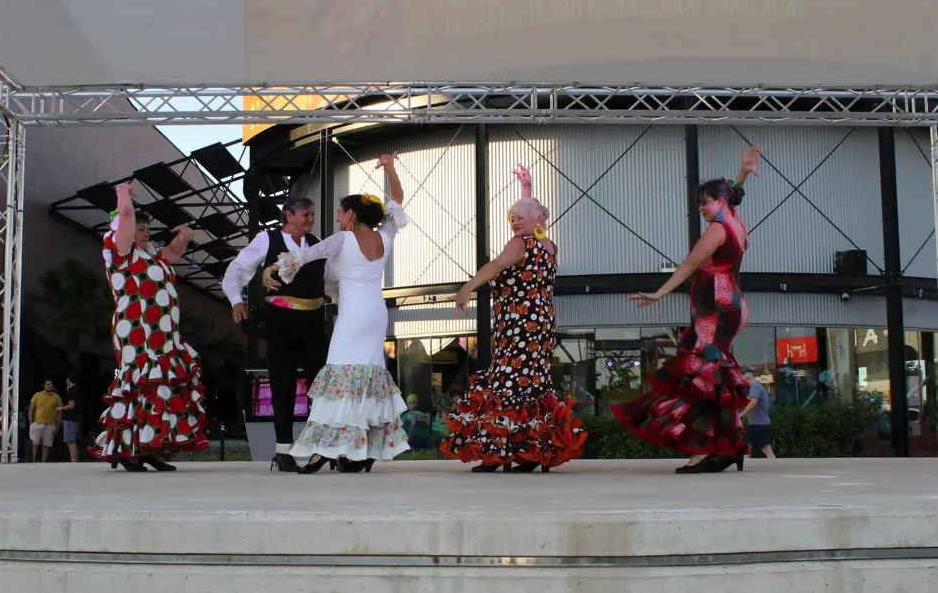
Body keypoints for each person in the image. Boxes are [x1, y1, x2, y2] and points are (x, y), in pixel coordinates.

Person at [613, 146, 762, 474]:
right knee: (713, 377)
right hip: (730, 303)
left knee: (701, 376)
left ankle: (708, 448)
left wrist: (659, 293)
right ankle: (728, 446)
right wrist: (742, 172)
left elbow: (691, 264)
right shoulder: (735, 223)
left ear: (718, 201)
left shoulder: (717, 229)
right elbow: (733, 196)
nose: (701, 209)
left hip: (715, 308)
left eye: (705, 202)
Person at [264, 153, 409, 472]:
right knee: (368, 379)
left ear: (351, 214)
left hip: (354, 315)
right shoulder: (385, 235)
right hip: (376, 313)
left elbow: (304, 255)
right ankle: (362, 451)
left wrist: (272, 268)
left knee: (337, 379)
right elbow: (397, 201)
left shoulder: (343, 239)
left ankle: (326, 448)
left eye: (341, 212)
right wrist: (391, 169)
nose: (337, 217)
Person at [441, 164, 588, 473]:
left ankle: (501, 453)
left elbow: (496, 265)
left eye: (519, 218)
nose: (514, 223)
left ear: (535, 220)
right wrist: (527, 193)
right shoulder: (547, 245)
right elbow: (537, 219)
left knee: (508, 385)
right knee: (531, 385)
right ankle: (530, 453)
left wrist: (467, 287)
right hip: (540, 325)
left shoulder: (519, 244)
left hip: (518, 326)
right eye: (511, 219)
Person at [89, 180, 208, 472]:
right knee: (140, 382)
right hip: (138, 330)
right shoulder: (119, 250)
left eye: (146, 229)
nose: (144, 233)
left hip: (162, 333)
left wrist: (187, 234)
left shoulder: (151, 254)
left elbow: (174, 251)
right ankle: (128, 450)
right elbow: (126, 215)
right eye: (140, 229)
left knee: (156, 387)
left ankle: (146, 447)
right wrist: (122, 193)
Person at [222, 196, 330, 473]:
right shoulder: (267, 239)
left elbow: (332, 280)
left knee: (320, 384)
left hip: (314, 320)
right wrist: (236, 298)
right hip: (280, 320)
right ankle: (283, 450)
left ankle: (321, 447)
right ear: (288, 215)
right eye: (306, 214)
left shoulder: (318, 244)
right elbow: (237, 269)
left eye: (312, 214)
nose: (310, 219)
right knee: (283, 381)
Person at [740, 371, 775, 458]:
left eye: (743, 381)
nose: (743, 384)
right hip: (755, 424)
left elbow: (753, 404)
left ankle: (775, 466)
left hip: (759, 424)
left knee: (765, 449)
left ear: (748, 379)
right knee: (747, 448)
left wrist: (741, 416)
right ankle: (745, 466)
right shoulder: (757, 387)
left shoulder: (755, 387)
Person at [28, 378, 63, 463]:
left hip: (50, 424)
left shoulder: (57, 397)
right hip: (37, 423)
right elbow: (31, 409)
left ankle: (43, 463)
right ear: (44, 386)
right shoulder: (37, 395)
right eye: (47, 384)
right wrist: (31, 423)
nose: (50, 386)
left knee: (46, 445)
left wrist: (58, 426)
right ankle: (33, 461)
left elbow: (59, 412)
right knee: (34, 443)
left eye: (51, 384)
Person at [55, 374, 83, 463]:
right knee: (70, 440)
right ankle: (74, 460)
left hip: (70, 418)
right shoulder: (76, 390)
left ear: (68, 380)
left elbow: (71, 406)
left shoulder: (73, 391)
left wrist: (60, 408)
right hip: (74, 418)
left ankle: (74, 461)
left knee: (70, 441)